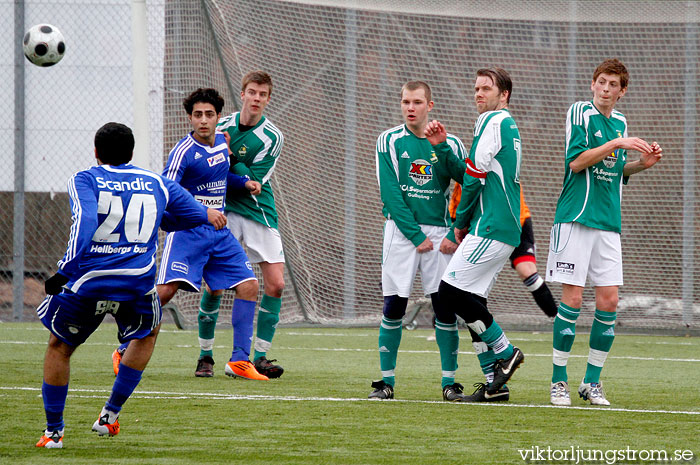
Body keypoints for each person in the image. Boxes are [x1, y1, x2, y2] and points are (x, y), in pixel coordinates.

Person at [35, 122, 226, 448]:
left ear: (96, 153)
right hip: (136, 285)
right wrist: (202, 215)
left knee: (59, 347)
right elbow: (193, 214)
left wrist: (65, 270)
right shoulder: (156, 182)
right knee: (148, 332)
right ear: (132, 152)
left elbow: (86, 222)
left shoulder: (85, 178)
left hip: (89, 283)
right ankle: (109, 416)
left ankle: (53, 433)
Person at [111, 88, 267, 381]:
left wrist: (244, 183)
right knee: (167, 291)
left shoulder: (222, 142)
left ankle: (239, 361)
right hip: (187, 232)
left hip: (219, 233)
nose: (203, 120)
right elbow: (168, 190)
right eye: (198, 115)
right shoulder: (183, 151)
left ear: (218, 117)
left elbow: (222, 176)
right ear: (190, 119)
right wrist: (199, 212)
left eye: (209, 114)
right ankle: (124, 347)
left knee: (248, 286)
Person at [546, 59, 663, 407]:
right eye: (602, 82)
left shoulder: (621, 123)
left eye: (614, 84)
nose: (606, 89)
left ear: (622, 91)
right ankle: (559, 382)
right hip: (576, 218)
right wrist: (617, 144)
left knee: (609, 301)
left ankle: (591, 382)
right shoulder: (580, 112)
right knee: (573, 300)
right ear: (593, 84)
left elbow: (613, 172)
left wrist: (641, 165)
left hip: (608, 223)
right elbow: (577, 162)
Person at [424, 67, 525, 403]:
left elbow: (473, 178)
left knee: (449, 293)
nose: (479, 93)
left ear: (504, 95)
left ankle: (506, 352)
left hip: (492, 225)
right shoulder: (504, 125)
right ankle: (495, 384)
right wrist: (442, 148)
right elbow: (470, 170)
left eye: (486, 88)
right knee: (472, 302)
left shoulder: (493, 121)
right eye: (476, 88)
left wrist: (458, 226)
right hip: (502, 225)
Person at [369, 80, 467, 400]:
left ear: (430, 105)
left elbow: (466, 184)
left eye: (417, 102)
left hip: (439, 235)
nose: (410, 108)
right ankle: (385, 383)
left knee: (444, 308)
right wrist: (414, 235)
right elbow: (391, 194)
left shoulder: (449, 141)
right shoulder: (388, 140)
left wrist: (454, 230)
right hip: (401, 232)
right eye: (405, 102)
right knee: (394, 305)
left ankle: (449, 384)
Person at [217, 71, 286, 378]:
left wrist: (229, 153)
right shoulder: (220, 125)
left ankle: (260, 355)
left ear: (268, 99)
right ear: (242, 94)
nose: (257, 98)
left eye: (263, 94)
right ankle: (206, 356)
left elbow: (253, 182)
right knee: (215, 284)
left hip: (258, 209)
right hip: (224, 209)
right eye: (252, 92)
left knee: (276, 284)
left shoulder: (273, 137)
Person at [449, 185, 558, 317]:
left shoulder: (505, 169)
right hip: (484, 228)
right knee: (470, 278)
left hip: (517, 223)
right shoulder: (469, 173)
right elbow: (458, 204)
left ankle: (555, 318)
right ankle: (451, 321)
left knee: (527, 271)